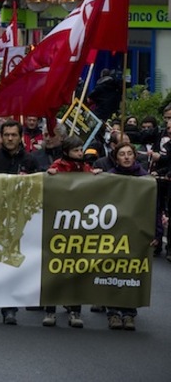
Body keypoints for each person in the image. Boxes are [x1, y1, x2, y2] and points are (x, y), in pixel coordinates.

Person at [0, 120, 41, 326]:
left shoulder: (30, 160)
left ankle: (10, 309)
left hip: (19, 219)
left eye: (14, 135)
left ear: (20, 137)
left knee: (12, 264)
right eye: (6, 135)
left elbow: (38, 188)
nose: (10, 138)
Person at [43, 134, 98, 328]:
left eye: (81, 150)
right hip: (58, 225)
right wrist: (50, 175)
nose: (80, 153)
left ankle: (75, 310)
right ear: (66, 151)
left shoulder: (85, 168)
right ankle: (50, 310)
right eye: (76, 150)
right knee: (53, 268)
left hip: (78, 225)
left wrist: (97, 177)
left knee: (76, 269)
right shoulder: (58, 167)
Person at [105, 142, 150, 331]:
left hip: (136, 232)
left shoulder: (145, 179)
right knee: (112, 270)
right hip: (114, 232)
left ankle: (129, 313)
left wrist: (155, 232)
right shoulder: (109, 177)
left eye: (129, 153)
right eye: (122, 154)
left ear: (134, 156)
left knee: (132, 271)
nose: (126, 157)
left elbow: (153, 208)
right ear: (116, 158)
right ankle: (113, 313)